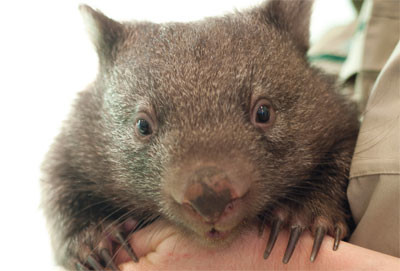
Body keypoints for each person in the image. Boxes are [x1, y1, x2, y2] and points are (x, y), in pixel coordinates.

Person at [115, 0, 399, 269]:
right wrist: (82, 235)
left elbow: (336, 131)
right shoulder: (343, 38)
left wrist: (287, 263)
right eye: (144, 128)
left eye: (262, 115)